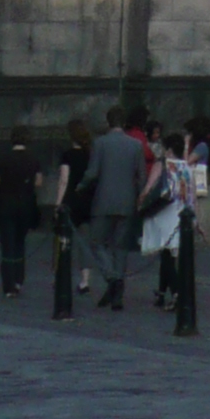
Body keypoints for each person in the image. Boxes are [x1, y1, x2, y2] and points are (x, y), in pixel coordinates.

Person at [78, 112, 147, 310]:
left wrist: (80, 186)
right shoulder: (136, 145)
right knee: (121, 248)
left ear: (108, 122)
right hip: (127, 201)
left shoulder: (100, 143)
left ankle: (112, 278)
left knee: (96, 243)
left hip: (104, 200)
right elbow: (141, 176)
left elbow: (92, 173)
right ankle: (117, 293)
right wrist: (140, 197)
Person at [144, 127, 199, 306]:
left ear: (168, 149)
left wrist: (141, 201)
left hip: (164, 213)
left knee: (166, 255)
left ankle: (176, 293)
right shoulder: (187, 168)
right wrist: (196, 220)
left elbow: (149, 188)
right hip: (182, 214)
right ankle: (161, 293)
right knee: (170, 255)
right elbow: (193, 197)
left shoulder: (162, 165)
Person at [0, 130, 41, 300]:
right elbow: (38, 182)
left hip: (6, 205)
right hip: (25, 205)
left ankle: (8, 285)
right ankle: (19, 279)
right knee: (20, 242)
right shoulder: (33, 159)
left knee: (7, 245)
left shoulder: (3, 158)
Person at [55, 115, 96, 294]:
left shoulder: (68, 155)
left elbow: (64, 180)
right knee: (84, 242)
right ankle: (85, 280)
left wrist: (58, 203)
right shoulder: (91, 155)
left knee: (63, 240)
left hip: (70, 201)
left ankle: (61, 275)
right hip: (87, 201)